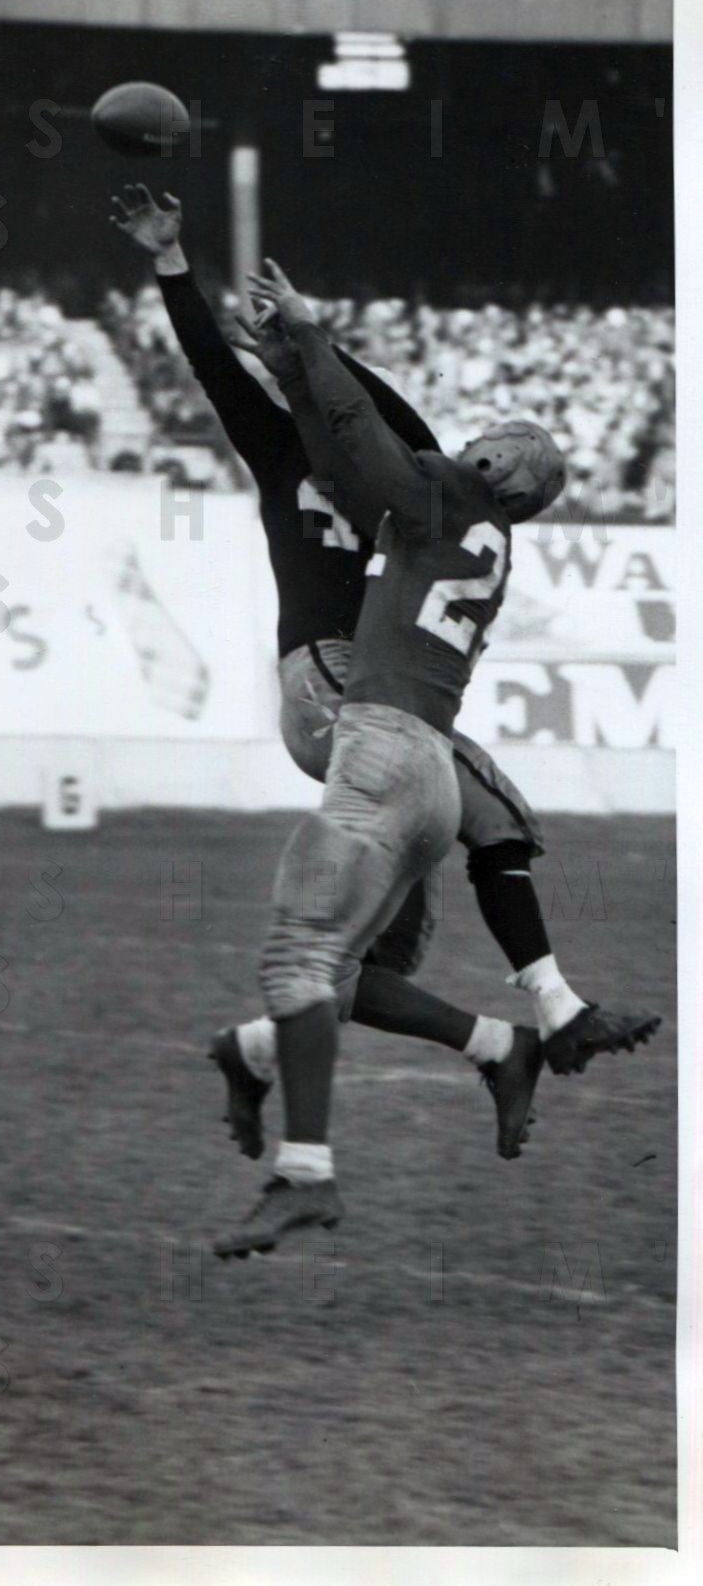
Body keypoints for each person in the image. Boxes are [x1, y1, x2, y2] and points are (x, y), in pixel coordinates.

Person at [109, 187, 660, 1164]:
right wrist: (172, 266)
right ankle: (555, 1005)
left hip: (368, 695)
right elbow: (211, 366)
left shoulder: (406, 469)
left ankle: (322, 1051)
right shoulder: (292, 450)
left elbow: (391, 420)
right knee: (489, 809)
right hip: (330, 681)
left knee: (357, 967)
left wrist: (318, 345)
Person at [218, 259, 599, 1255]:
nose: (460, 442)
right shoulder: (494, 545)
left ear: (495, 467)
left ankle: (305, 1172)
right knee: (337, 971)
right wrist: (299, 365)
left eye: (480, 443)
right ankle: (498, 1038)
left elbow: (361, 445)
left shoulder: (442, 497)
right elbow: (347, 447)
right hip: (432, 771)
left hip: (380, 747)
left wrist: (309, 336)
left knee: (296, 960)